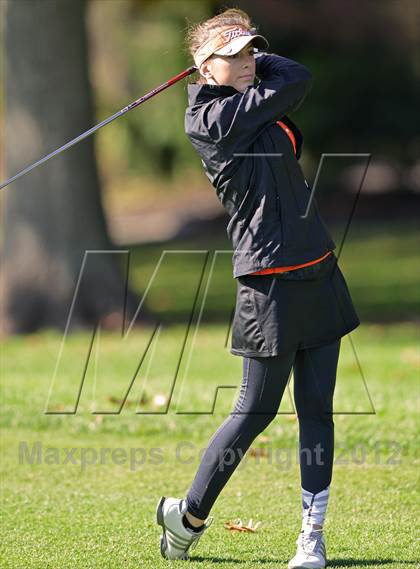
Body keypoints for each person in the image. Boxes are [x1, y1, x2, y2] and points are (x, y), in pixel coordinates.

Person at [156, 8, 360, 568]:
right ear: (203, 67)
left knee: (318, 409)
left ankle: (310, 538)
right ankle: (188, 516)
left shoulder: (253, 96)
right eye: (235, 56)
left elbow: (290, 76)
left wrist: (235, 52)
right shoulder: (211, 121)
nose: (248, 63)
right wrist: (222, 63)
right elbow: (296, 78)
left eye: (252, 53)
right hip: (267, 281)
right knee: (255, 410)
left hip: (317, 267)